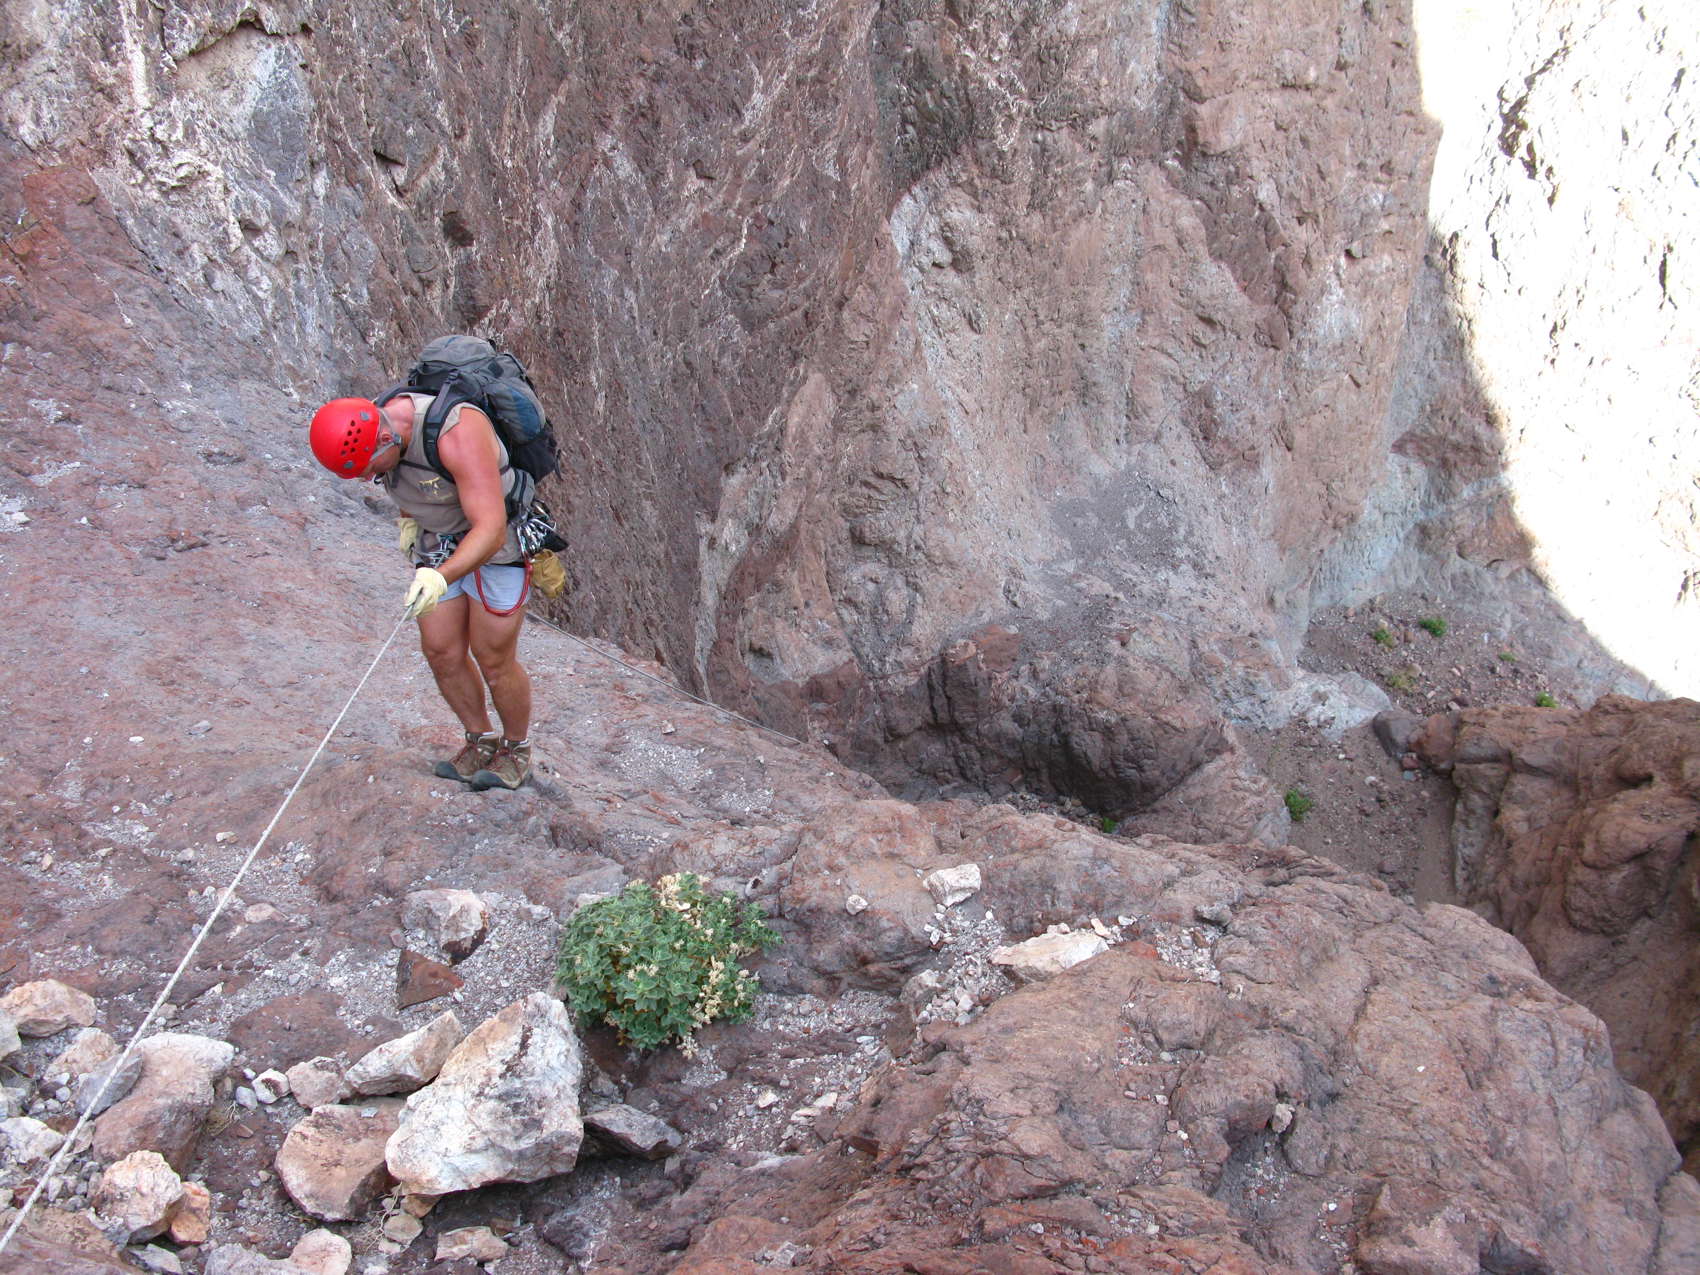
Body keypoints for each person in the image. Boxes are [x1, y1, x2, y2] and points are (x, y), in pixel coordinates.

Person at [309, 393, 534, 790]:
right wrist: (410, 523)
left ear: (385, 439)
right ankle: (480, 739)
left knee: (493, 657)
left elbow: (490, 529)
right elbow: (410, 484)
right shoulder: (383, 432)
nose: (366, 478)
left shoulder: (456, 431)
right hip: (439, 538)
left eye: (368, 469)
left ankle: (516, 749)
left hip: (495, 543)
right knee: (441, 650)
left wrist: (439, 577)